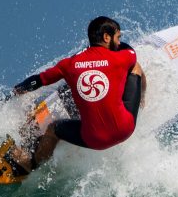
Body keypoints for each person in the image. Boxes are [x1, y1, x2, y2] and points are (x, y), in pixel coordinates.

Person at [8, 16, 147, 174]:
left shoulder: (69, 64)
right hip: (125, 128)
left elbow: (37, 81)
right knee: (135, 67)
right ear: (106, 37)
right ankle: (142, 99)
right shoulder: (123, 57)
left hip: (95, 139)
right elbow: (129, 50)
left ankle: (30, 164)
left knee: (53, 129)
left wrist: (16, 91)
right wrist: (140, 94)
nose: (119, 42)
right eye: (118, 37)